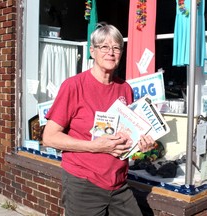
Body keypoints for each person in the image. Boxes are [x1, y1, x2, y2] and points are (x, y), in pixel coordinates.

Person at [42, 23, 155, 216]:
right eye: (104, 46)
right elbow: (49, 138)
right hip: (84, 182)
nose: (110, 52)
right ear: (92, 51)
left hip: (118, 182)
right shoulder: (73, 86)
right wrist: (97, 146)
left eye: (116, 47)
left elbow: (127, 133)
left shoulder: (125, 89)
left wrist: (141, 145)